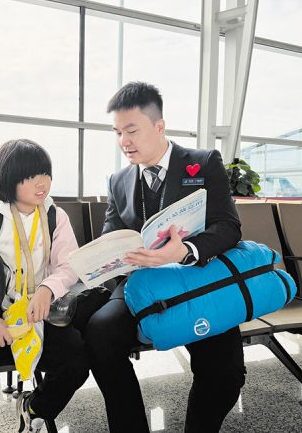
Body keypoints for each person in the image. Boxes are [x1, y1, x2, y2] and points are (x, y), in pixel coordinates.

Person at [85, 82, 246, 433]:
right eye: (117, 133)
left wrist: (184, 251)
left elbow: (228, 227)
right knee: (100, 333)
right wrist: (115, 258)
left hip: (195, 278)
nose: (124, 141)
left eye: (131, 131)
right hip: (140, 282)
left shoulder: (203, 163)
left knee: (225, 373)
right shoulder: (118, 181)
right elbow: (111, 237)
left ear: (159, 126)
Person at [0, 139, 100, 433]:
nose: (42, 183)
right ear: (9, 181)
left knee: (77, 359)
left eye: (46, 174)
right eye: (30, 176)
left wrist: (47, 289)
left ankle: (36, 406)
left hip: (38, 313)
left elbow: (69, 265)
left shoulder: (55, 216)